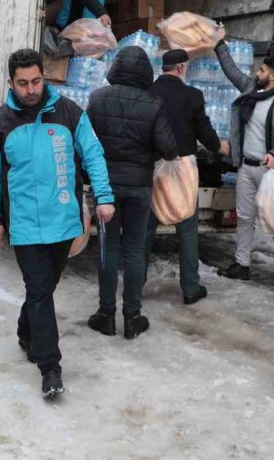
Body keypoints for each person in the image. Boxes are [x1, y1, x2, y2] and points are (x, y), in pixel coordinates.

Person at [0, 49, 115, 399]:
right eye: (22, 83)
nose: (30, 89)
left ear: (45, 78)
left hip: (63, 221)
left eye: (36, 81)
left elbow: (93, 154)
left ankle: (26, 332)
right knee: (40, 291)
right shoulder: (0, 122)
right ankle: (50, 366)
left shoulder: (69, 112)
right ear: (10, 83)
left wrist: (104, 197)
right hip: (24, 226)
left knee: (43, 290)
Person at [85, 46, 177, 339]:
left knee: (108, 248)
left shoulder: (97, 99)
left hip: (106, 186)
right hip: (139, 185)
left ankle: (106, 314)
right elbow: (169, 148)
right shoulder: (154, 103)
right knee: (136, 250)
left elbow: (85, 142)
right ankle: (133, 316)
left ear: (115, 67)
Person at [213, 40, 274, 288]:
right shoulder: (250, 91)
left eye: (261, 70)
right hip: (246, 167)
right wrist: (219, 44)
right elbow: (231, 71)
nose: (256, 73)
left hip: (270, 171)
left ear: (272, 76)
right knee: (244, 218)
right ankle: (242, 265)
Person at [146, 49, 228, 304]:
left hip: (152, 171)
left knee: (144, 230)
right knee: (187, 229)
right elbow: (204, 130)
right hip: (183, 172)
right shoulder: (192, 96)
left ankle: (135, 286)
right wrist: (219, 146)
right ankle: (191, 288)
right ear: (181, 68)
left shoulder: (147, 93)